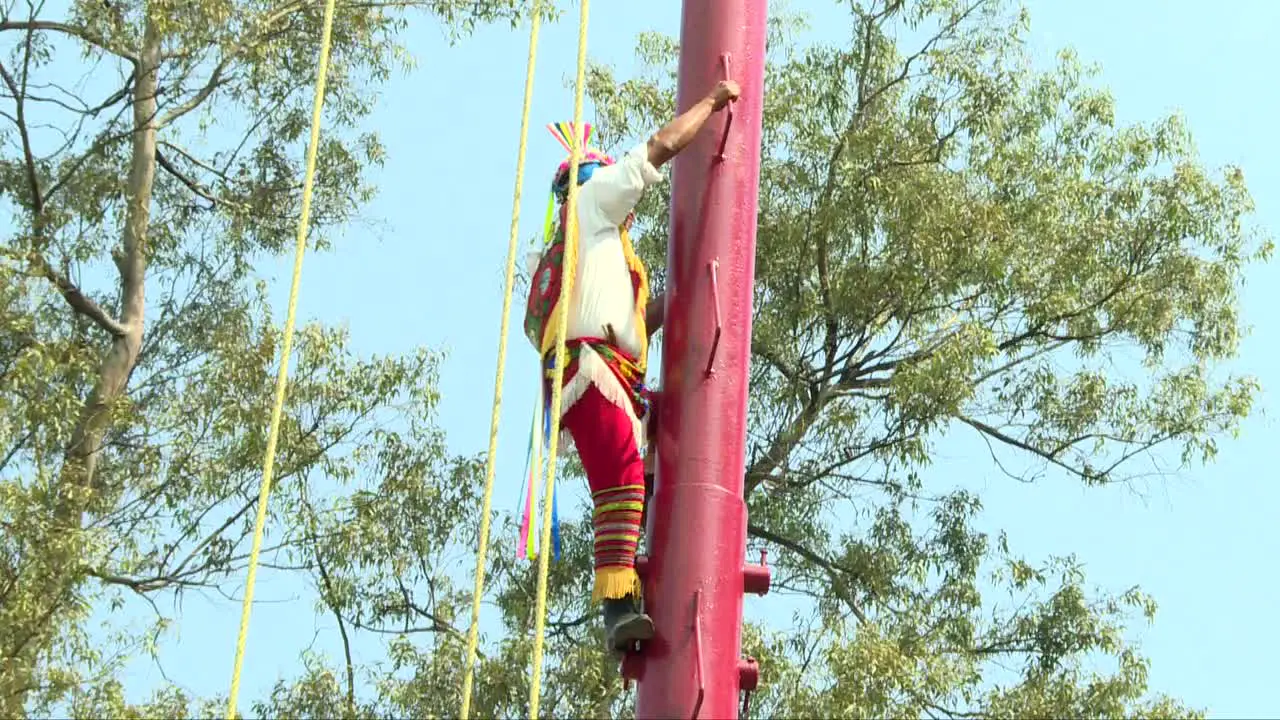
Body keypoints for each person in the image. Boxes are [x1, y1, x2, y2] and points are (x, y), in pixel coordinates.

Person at [523, 78, 741, 654]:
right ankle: (617, 609)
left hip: (597, 376)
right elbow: (658, 148)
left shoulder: (592, 252)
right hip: (594, 372)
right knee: (623, 476)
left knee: (630, 479)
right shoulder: (592, 205)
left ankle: (629, 592)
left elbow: (638, 320)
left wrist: (698, 282)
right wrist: (713, 101)